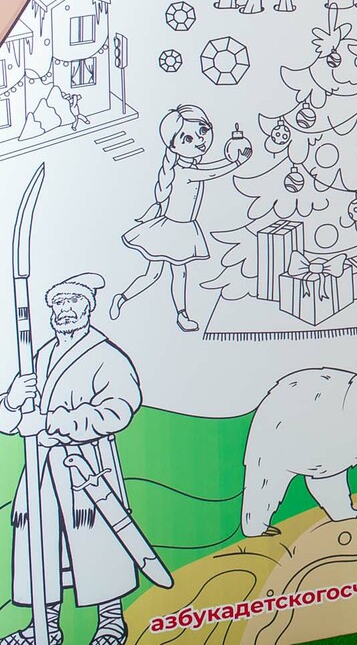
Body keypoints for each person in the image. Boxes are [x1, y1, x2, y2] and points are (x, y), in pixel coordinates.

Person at [0, 274, 145, 645]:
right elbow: (11, 420)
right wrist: (13, 400)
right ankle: (43, 626)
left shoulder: (106, 356)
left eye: (73, 302)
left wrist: (53, 421)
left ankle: (111, 623)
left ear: (88, 306)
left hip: (86, 467)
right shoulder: (39, 357)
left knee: (97, 540)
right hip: (41, 467)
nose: (64, 310)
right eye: (58, 304)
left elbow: (117, 410)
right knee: (39, 540)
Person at [109, 106, 252, 332]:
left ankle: (167, 310)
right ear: (173, 146)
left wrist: (230, 159)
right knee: (161, 274)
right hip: (172, 230)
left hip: (182, 229)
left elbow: (209, 168)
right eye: (188, 138)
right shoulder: (183, 171)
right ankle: (140, 303)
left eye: (202, 131)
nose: (200, 140)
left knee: (166, 273)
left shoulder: (190, 166)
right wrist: (235, 163)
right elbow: (211, 173)